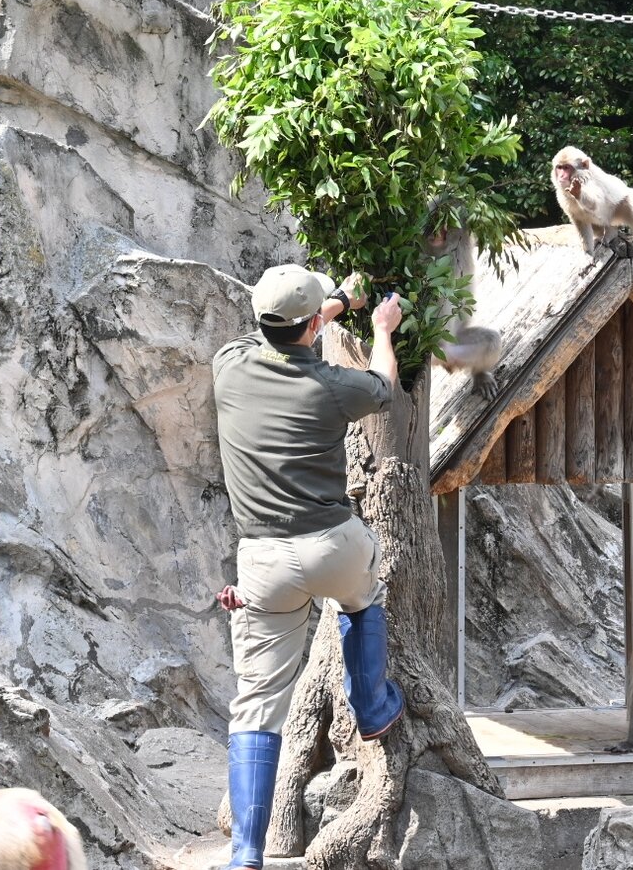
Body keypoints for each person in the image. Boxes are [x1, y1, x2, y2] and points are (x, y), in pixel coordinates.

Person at [210, 263, 407, 870]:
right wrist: (379, 327)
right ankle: (371, 704)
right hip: (333, 546)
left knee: (258, 700)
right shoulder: (333, 386)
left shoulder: (230, 365)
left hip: (264, 562)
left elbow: (286, 328)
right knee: (363, 595)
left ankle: (247, 852)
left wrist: (333, 303)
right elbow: (383, 384)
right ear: (310, 327)